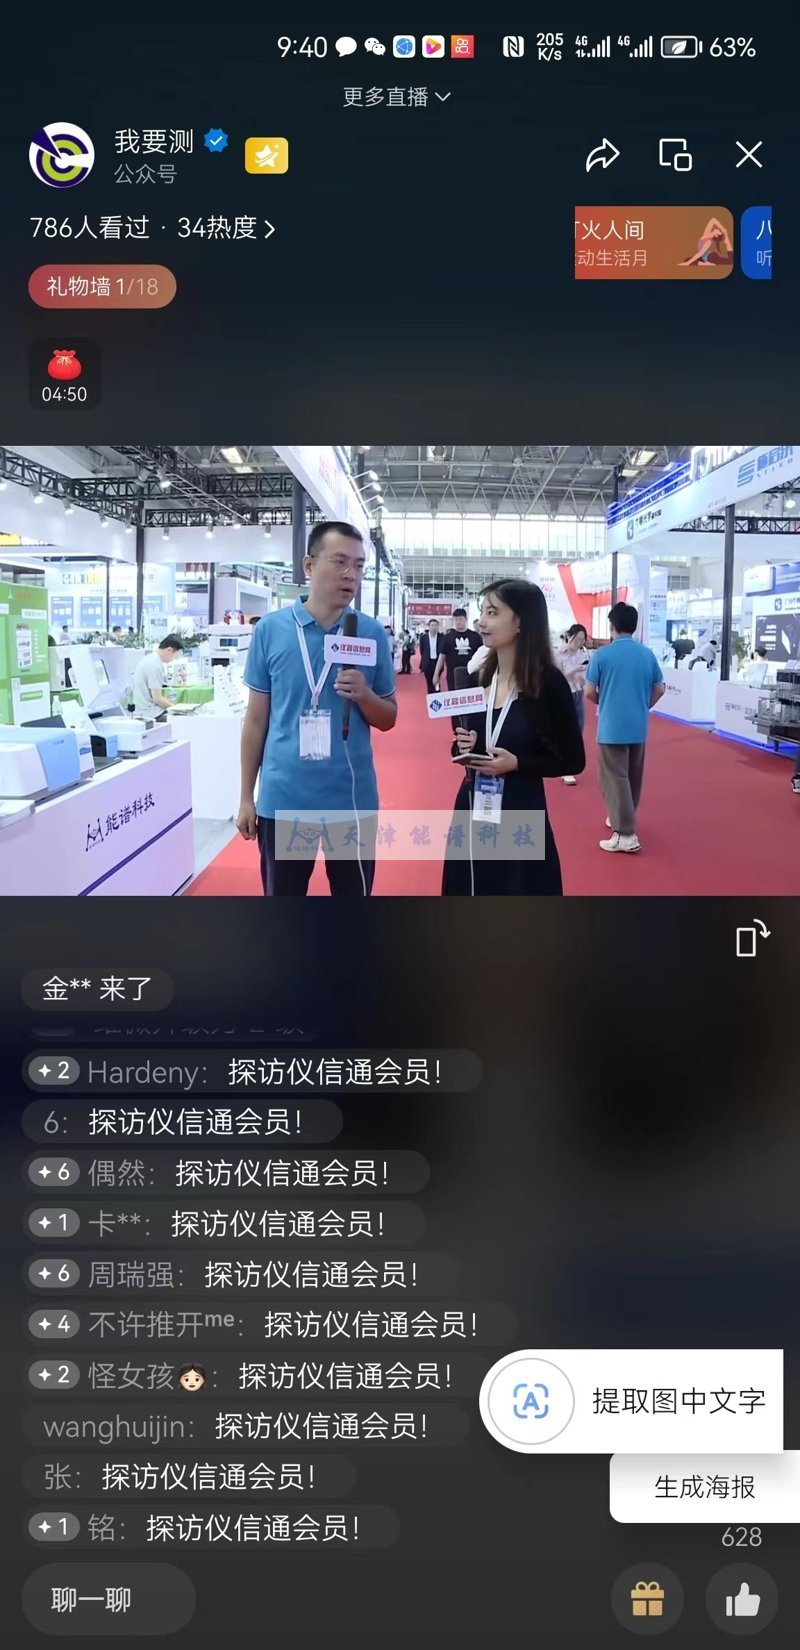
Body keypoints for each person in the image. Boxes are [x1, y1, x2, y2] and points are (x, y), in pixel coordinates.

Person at [236, 521, 397, 897]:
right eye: (340, 562)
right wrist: (246, 797)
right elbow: (256, 721)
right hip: (284, 799)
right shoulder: (271, 630)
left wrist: (364, 695)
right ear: (309, 565)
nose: (351, 574)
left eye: (359, 565)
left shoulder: (370, 633)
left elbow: (388, 718)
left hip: (351, 799)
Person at [443, 579, 585, 896]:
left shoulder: (548, 684)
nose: (481, 621)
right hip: (473, 804)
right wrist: (464, 746)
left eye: (492, 613)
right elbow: (461, 743)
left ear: (520, 621)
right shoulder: (478, 678)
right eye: (482, 611)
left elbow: (573, 759)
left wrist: (518, 763)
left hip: (521, 809)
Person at [585, 602, 665, 854]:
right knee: (632, 776)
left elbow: (588, 691)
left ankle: (626, 833)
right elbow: (660, 688)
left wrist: (604, 700)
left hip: (611, 726)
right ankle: (621, 817)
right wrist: (643, 705)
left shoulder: (602, 655)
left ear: (612, 626)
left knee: (613, 778)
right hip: (638, 725)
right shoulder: (646, 654)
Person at [554, 623, 590, 785]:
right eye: (577, 639)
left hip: (578, 693)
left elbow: (586, 678)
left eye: (583, 640)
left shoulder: (583, 654)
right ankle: (565, 768)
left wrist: (584, 674)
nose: (580, 643)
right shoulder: (558, 654)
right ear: (569, 636)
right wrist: (575, 669)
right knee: (565, 730)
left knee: (579, 728)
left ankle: (570, 762)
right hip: (564, 695)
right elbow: (559, 677)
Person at [131, 633, 184, 720]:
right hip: (150, 713)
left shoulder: (150, 659)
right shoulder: (155, 666)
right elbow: (157, 699)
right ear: (169, 650)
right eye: (175, 656)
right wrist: (176, 708)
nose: (173, 660)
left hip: (143, 710)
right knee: (183, 719)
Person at [433, 608, 484, 691]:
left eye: (460, 619)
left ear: (466, 619)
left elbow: (481, 655)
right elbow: (441, 657)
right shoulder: (447, 637)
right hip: (453, 675)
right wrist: (436, 674)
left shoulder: (475, 636)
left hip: (472, 674)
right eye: (456, 620)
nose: (458, 622)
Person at [418, 619, 442, 693]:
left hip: (438, 662)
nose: (434, 627)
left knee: (437, 680)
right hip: (428, 663)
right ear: (428, 626)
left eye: (436, 625)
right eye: (432, 625)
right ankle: (430, 695)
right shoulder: (423, 638)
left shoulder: (441, 637)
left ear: (438, 626)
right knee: (429, 681)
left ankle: (437, 694)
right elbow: (422, 650)